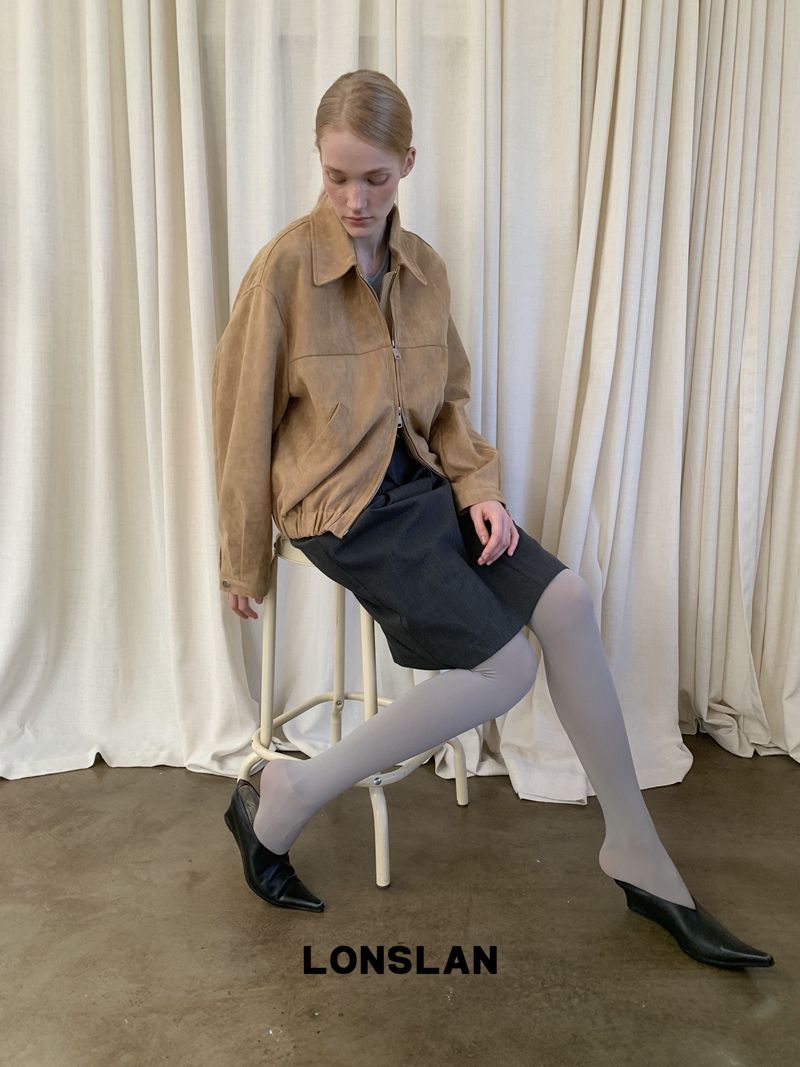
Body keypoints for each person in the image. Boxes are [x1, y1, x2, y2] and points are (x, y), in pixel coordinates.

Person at [212, 70, 773, 969]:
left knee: (569, 601)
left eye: (375, 179)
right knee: (506, 665)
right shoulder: (284, 268)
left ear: (408, 164)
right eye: (337, 177)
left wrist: (480, 490)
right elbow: (241, 420)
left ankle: (635, 848)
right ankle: (288, 793)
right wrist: (243, 559)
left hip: (420, 485)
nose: (355, 201)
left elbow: (448, 407)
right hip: (337, 505)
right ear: (318, 162)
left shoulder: (423, 269)